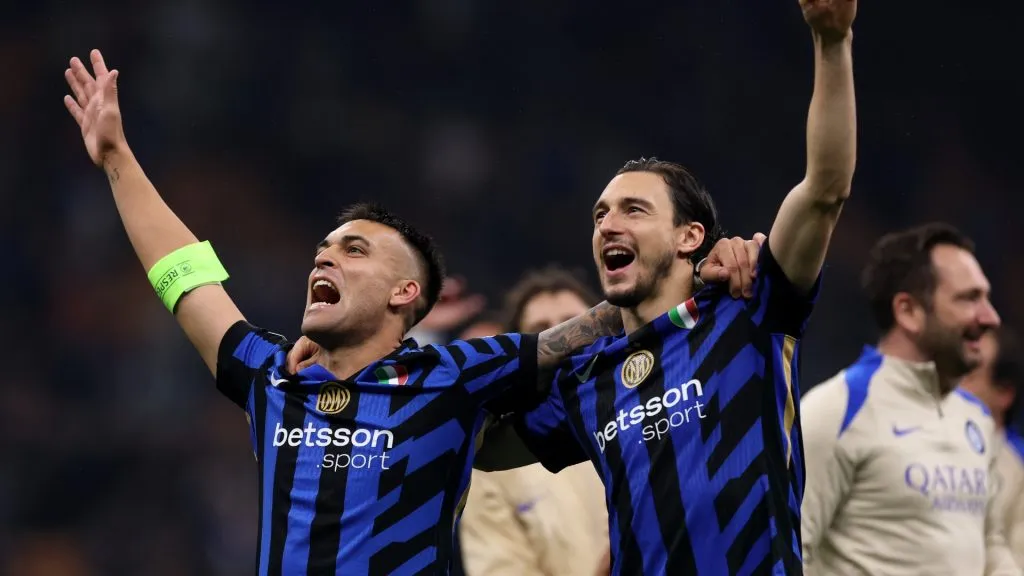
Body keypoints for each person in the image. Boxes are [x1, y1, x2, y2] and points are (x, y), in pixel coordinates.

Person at [63, 50, 764, 575]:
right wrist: (118, 159)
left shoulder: (451, 379)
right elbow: (188, 280)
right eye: (323, 250)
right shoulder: (275, 379)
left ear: (404, 294)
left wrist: (702, 275)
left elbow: (585, 328)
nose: (324, 260)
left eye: (354, 250)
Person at [490, 1, 859, 573]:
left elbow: (824, 190)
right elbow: (483, 448)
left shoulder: (749, 308)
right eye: (600, 214)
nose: (608, 224)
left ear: (690, 236)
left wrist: (832, 42)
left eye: (633, 210)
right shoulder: (589, 379)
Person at [799, 223, 1018, 575]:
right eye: (969, 298)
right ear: (908, 311)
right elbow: (793, 550)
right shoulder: (837, 409)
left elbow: (989, 542)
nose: (990, 317)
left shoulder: (976, 418)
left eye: (986, 298)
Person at [459, 267, 610, 576]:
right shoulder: (492, 463)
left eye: (574, 323)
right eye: (544, 331)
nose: (566, 341)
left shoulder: (641, 416)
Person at [961, 327, 1024, 567]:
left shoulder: (1017, 471)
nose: (952, 385)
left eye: (968, 374)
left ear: (1004, 393)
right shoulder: (917, 444)